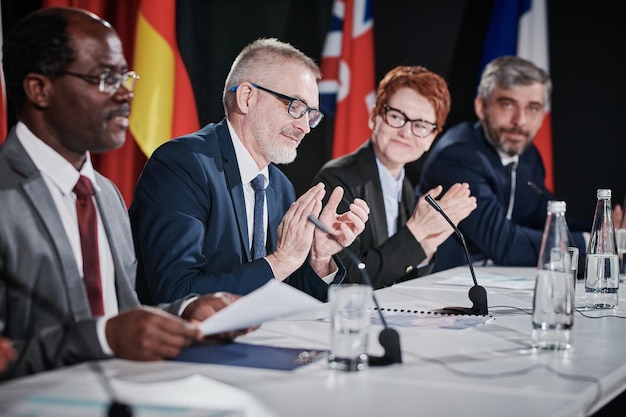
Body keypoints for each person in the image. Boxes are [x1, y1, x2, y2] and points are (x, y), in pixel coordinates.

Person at [0, 7, 251, 380]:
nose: (125, 94)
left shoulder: (106, 195)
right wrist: (104, 338)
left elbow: (122, 318)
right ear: (40, 89)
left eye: (124, 77)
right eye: (104, 78)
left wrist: (184, 312)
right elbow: (104, 334)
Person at [129, 38, 369, 304]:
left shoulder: (280, 186)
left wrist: (319, 258)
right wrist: (281, 261)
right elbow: (176, 292)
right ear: (247, 97)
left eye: (311, 114)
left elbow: (285, 296)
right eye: (295, 107)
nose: (305, 127)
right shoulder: (183, 165)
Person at [418, 56, 615, 271]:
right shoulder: (458, 155)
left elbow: (549, 218)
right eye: (508, 105)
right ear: (481, 107)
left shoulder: (528, 157)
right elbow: (503, 244)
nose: (520, 121)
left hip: (497, 282)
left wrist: (606, 229)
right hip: (443, 288)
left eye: (532, 108)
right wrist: (591, 242)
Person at [312, 66, 476, 288]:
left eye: (420, 125)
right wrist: (417, 231)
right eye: (397, 117)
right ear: (374, 117)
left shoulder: (405, 187)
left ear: (431, 138)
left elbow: (400, 279)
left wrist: (427, 246)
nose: (406, 132)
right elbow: (346, 279)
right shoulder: (338, 180)